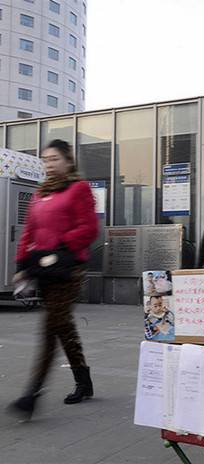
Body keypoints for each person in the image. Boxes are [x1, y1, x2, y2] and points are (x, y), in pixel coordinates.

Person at [7, 139, 98, 420]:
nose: (49, 163)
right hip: (44, 269)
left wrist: (61, 246)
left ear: (68, 161)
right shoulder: (39, 193)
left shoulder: (78, 189)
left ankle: (31, 394)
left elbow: (89, 228)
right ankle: (84, 380)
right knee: (62, 326)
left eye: (54, 158)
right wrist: (22, 263)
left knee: (50, 329)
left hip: (69, 269)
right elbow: (29, 232)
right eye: (45, 159)